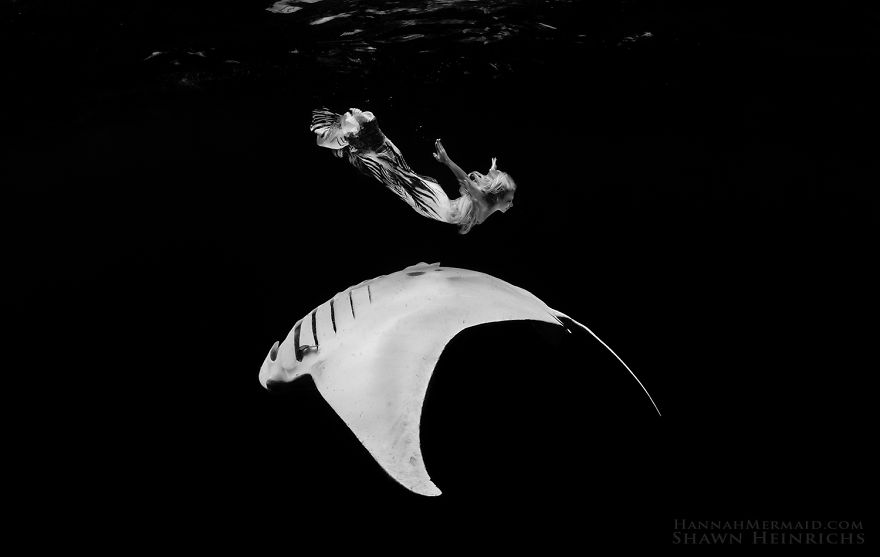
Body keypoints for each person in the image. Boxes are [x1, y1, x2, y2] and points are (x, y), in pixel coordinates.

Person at [310, 108, 516, 234]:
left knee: (395, 176)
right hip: (436, 205)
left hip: (435, 205)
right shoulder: (485, 201)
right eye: (508, 200)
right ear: (497, 197)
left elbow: (487, 187)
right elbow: (465, 180)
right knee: (399, 173)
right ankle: (363, 134)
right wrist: (447, 160)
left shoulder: (489, 201)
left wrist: (493, 171)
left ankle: (354, 142)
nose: (511, 204)